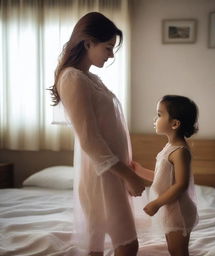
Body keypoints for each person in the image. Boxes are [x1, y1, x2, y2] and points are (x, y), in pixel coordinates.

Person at [49, 12, 145, 256]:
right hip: (103, 173)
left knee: (101, 239)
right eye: (108, 47)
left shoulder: (88, 78)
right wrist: (129, 176)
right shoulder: (72, 78)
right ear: (88, 42)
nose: (111, 55)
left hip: (108, 170)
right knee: (126, 243)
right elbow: (90, 140)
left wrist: (127, 168)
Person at [131, 95, 199, 256]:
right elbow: (164, 178)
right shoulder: (170, 146)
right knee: (172, 249)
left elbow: (180, 184)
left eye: (160, 114)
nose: (155, 119)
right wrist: (139, 170)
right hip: (170, 209)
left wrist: (157, 203)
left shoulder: (180, 151)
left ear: (175, 124)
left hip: (178, 211)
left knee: (179, 251)